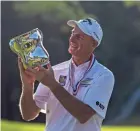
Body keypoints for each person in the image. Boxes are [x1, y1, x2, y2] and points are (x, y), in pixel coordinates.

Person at [18, 17, 115, 131]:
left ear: (93, 43)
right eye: (72, 33)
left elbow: (84, 115)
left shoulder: (104, 76)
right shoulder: (54, 71)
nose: (72, 39)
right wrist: (28, 85)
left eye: (79, 37)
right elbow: (28, 114)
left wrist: (53, 85)